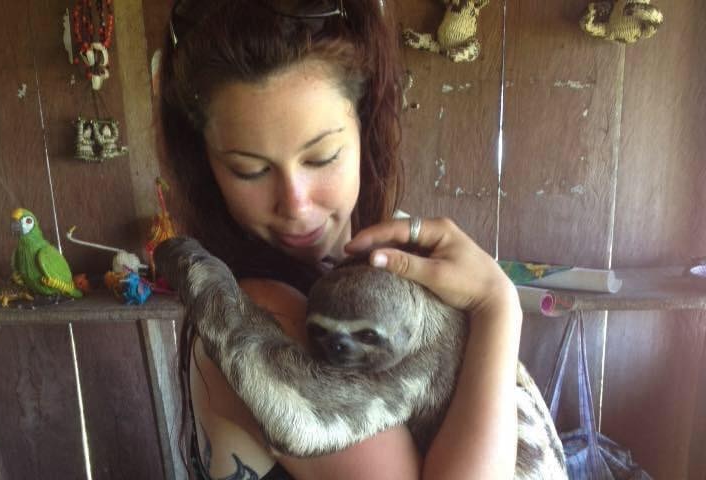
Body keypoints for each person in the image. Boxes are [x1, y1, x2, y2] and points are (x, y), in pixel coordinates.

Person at [159, 1, 522, 479]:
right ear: (206, 166)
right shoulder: (260, 310)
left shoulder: (396, 273)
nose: (296, 204)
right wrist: (498, 307)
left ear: (363, 129)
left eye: (321, 157)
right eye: (251, 169)